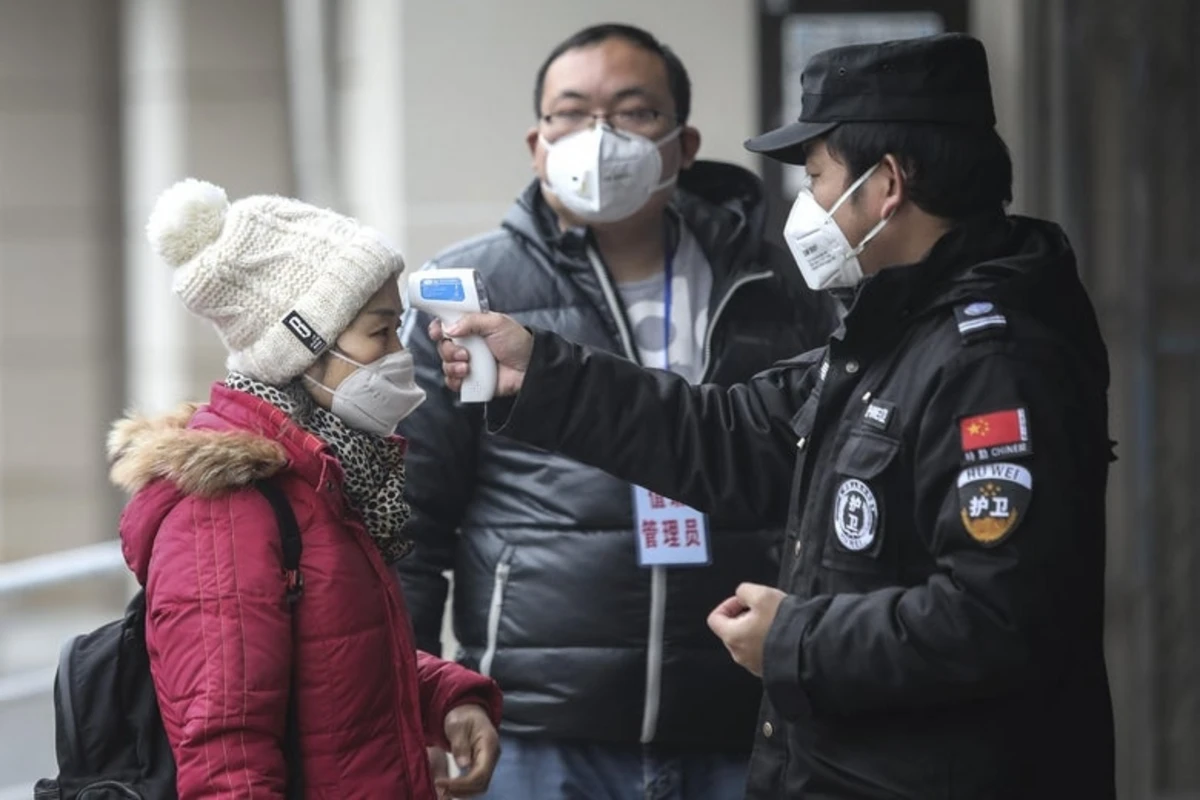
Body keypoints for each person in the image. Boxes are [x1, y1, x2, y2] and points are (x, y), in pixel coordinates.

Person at [426, 33, 1117, 800]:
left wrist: (793, 639)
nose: (806, 205)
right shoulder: (889, 332)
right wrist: (540, 373)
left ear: (885, 185)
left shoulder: (991, 360)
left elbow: (997, 618)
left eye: (818, 177)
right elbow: (733, 436)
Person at [396, 22, 836, 800]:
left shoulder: (783, 287)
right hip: (536, 731)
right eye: (570, 113)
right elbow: (411, 521)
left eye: (634, 112)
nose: (598, 137)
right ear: (538, 142)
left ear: (685, 142)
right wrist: (421, 700)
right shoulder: (465, 291)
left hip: (745, 721)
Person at [110, 178, 503, 799]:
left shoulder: (319, 477)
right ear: (302, 347)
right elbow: (226, 756)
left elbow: (334, 662)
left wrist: (445, 700)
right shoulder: (228, 510)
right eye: (379, 332)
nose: (399, 353)